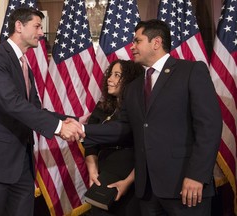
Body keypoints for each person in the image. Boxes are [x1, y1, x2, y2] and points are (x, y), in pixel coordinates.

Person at [83, 19, 222, 216]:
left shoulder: (190, 71)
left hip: (185, 187)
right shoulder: (133, 87)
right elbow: (123, 127)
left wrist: (197, 176)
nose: (132, 47)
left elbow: (210, 127)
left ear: (156, 42)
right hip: (147, 192)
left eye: (137, 41)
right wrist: (82, 130)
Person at [0, 8, 84, 216]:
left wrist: (69, 120)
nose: (41, 33)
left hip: (21, 165)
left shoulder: (25, 65)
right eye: (37, 26)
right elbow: (11, 103)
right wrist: (58, 127)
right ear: (19, 26)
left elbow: (34, 110)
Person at [84, 59, 143, 216]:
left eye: (117, 75)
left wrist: (128, 182)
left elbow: (147, 150)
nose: (110, 79)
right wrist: (93, 171)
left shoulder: (140, 108)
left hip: (132, 175)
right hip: (104, 171)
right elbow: (89, 141)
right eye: (110, 74)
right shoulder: (102, 107)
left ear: (130, 80)